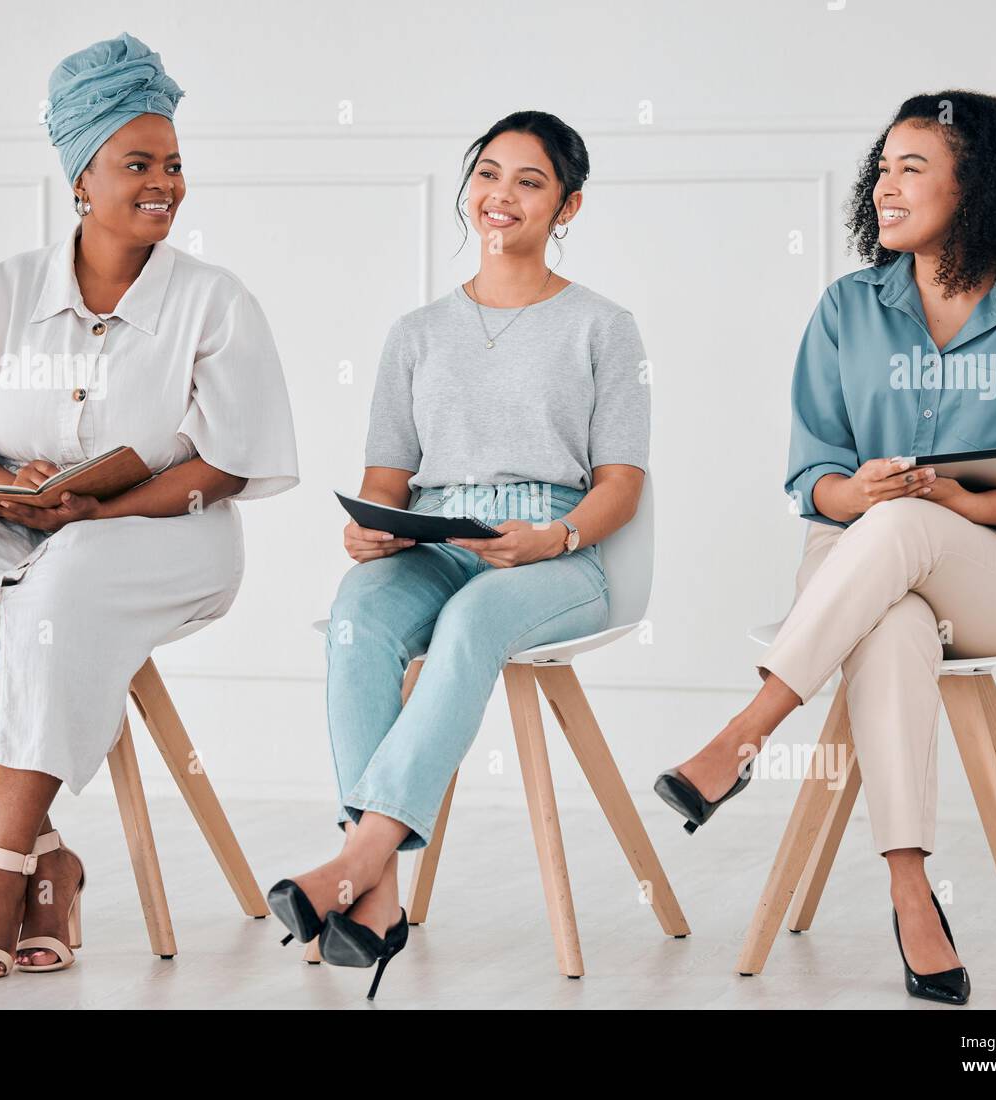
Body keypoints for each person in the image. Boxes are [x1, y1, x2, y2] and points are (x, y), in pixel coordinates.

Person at [654, 91, 996, 1005]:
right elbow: (809, 473)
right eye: (883, 167)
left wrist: (951, 500)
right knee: (891, 616)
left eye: (913, 168)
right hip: (860, 568)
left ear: (977, 188)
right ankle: (911, 891)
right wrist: (853, 492)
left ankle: (744, 738)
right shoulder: (845, 310)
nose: (885, 187)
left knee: (902, 528)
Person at [0, 32, 300, 980]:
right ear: (81, 177)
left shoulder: (214, 301)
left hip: (166, 536)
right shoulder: (7, 287)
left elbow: (230, 466)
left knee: (62, 587)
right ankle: (48, 860)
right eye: (137, 164)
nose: (163, 183)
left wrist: (96, 514)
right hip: (12, 528)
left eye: (172, 164)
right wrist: (24, 492)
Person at [266, 111, 651, 998]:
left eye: (530, 180)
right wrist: (370, 529)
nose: (501, 195)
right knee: (359, 615)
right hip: (438, 540)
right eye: (488, 173)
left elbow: (621, 483)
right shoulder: (416, 332)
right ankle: (378, 894)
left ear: (569, 205)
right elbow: (387, 479)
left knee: (475, 618)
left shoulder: (604, 326)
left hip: (556, 553)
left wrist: (556, 536)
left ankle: (356, 858)